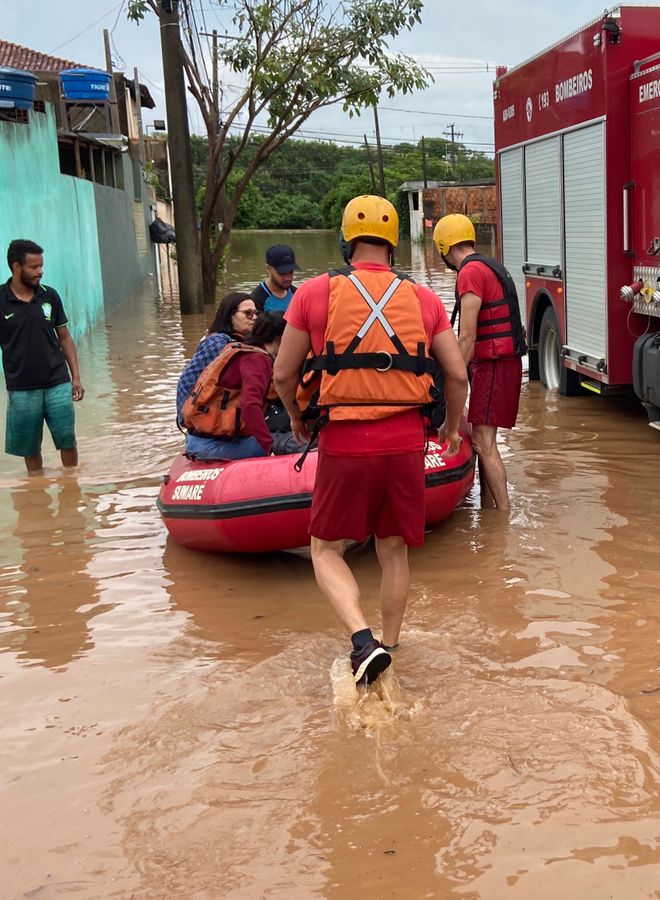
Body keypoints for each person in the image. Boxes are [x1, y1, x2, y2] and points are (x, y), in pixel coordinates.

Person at [273, 195, 468, 688]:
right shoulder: (424, 297)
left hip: (344, 441)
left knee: (324, 549)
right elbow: (458, 374)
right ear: (394, 242)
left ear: (345, 240)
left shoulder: (313, 292)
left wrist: (297, 417)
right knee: (394, 549)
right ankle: (392, 644)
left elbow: (281, 372)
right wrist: (449, 427)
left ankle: (363, 642)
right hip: (406, 442)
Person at [0, 239, 85, 476]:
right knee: (30, 448)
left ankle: (72, 485)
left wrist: (76, 377)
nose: (40, 271)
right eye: (34, 267)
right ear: (16, 267)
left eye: (41, 265)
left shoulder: (50, 296)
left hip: (58, 382)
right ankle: (36, 491)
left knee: (67, 440)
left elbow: (65, 338)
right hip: (21, 388)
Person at [435, 213, 527, 510]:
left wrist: (452, 376)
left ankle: (502, 518)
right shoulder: (490, 265)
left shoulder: (469, 273)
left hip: (494, 364)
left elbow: (467, 337)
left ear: (443, 246)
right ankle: (488, 511)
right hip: (504, 362)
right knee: (484, 440)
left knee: (483, 444)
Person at [182, 311, 288, 460]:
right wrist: (270, 447)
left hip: (197, 441)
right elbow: (250, 406)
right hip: (213, 447)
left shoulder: (240, 348)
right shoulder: (257, 359)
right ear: (280, 338)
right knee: (288, 441)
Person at [176, 292, 258, 428]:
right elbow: (187, 380)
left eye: (256, 313)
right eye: (248, 313)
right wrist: (185, 418)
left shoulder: (243, 341)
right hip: (203, 419)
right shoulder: (216, 344)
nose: (254, 318)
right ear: (230, 316)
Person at [252, 244, 297, 314]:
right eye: (282, 273)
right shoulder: (257, 300)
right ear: (268, 269)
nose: (288, 277)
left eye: (291, 272)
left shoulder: (297, 294)